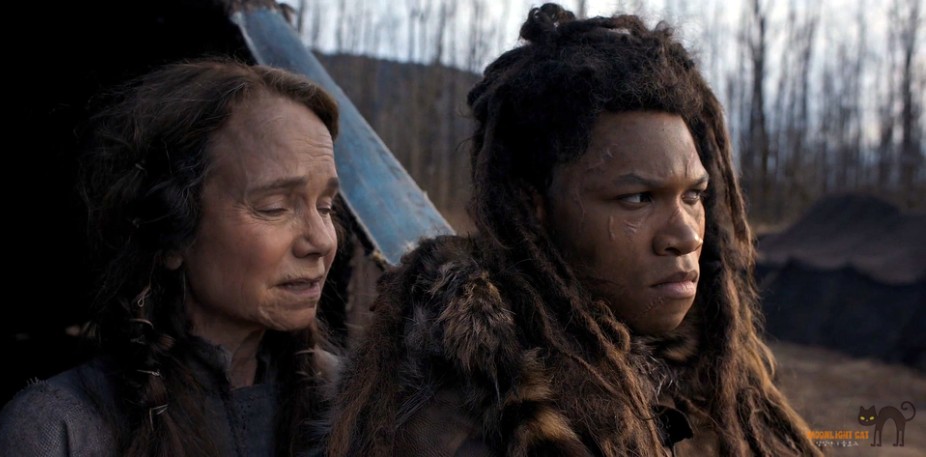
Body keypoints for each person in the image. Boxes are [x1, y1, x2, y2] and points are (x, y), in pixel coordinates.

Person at [317, 4, 820, 456]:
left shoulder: (710, 376)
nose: (686, 236)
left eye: (693, 196)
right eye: (637, 199)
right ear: (537, 208)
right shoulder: (466, 420)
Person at [0, 57, 343, 457]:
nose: (321, 240)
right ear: (172, 231)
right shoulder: (62, 432)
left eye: (326, 206)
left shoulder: (354, 407)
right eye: (275, 207)